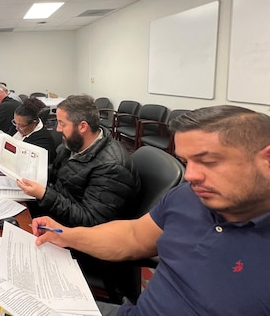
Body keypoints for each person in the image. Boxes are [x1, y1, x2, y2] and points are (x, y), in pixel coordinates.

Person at [32, 105, 270, 316]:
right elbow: (133, 235)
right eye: (187, 162)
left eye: (208, 161)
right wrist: (64, 235)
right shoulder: (188, 196)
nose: (190, 176)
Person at [17, 94, 140, 228]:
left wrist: (44, 195)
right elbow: (61, 172)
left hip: (71, 229)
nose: (57, 129)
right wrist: (30, 170)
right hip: (56, 207)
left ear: (82, 127)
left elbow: (91, 221)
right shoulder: (75, 142)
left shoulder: (112, 168)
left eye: (62, 124)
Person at [0, 97, 56, 163]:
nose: (17, 128)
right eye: (15, 122)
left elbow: (24, 162)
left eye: (21, 125)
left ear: (34, 123)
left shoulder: (42, 141)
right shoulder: (20, 127)